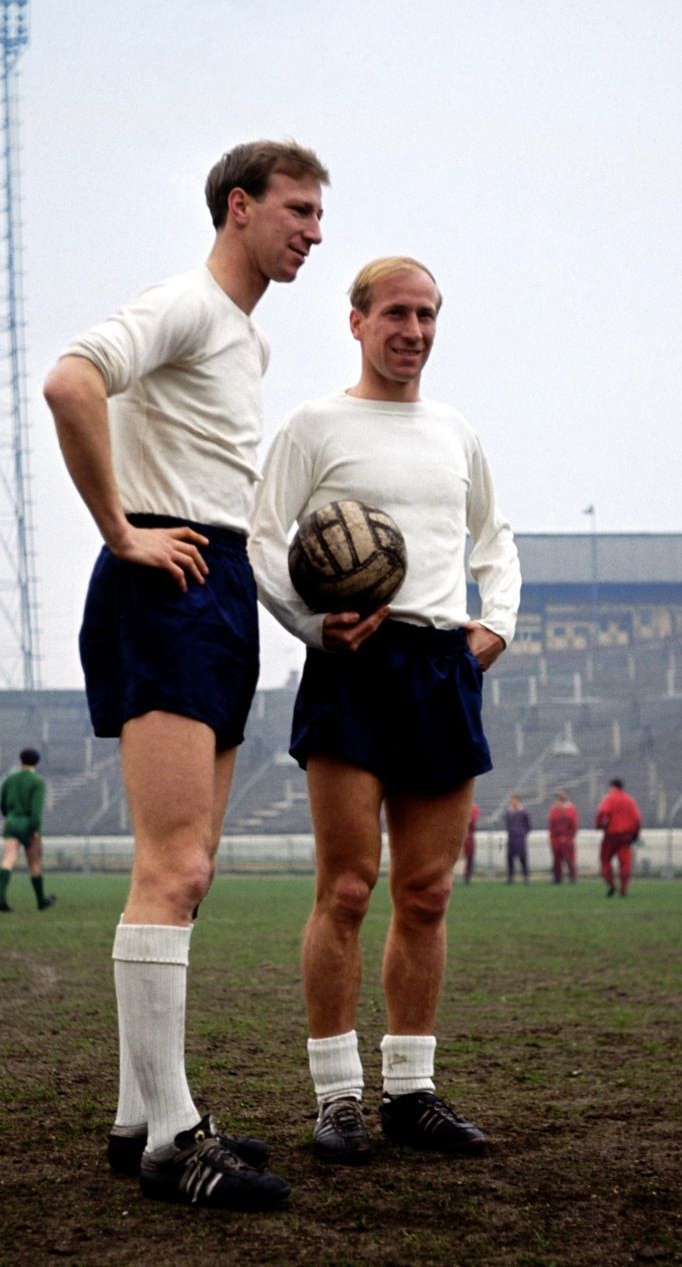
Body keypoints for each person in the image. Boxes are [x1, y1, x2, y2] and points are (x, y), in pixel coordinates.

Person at [43, 139, 328, 1210]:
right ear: (238, 206)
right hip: (162, 581)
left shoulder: (240, 341)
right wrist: (120, 531)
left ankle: (136, 1116)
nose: (308, 231)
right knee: (175, 866)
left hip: (214, 590)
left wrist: (305, 622)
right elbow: (69, 383)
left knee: (186, 867)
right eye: (296, 210)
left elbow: (241, 521)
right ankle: (173, 1136)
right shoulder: (184, 304)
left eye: (318, 218)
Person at [249, 255, 521, 1164]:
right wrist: (311, 630)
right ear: (357, 320)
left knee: (428, 893)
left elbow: (496, 540)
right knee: (348, 887)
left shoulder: (457, 433)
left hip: (443, 665)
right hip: (356, 663)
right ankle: (336, 1098)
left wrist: (500, 625)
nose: (414, 330)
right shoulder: (315, 425)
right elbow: (259, 538)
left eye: (429, 315)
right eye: (397, 313)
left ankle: (411, 1092)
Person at [0, 747, 55, 912]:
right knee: (34, 863)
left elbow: (2, 805)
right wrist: (35, 829)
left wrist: (10, 818)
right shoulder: (37, 782)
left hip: (11, 821)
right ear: (37, 762)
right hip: (28, 823)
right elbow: (36, 810)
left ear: (20, 760)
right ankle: (41, 900)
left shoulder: (9, 779)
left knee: (8, 859)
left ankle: (1, 898)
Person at [595, 777, 642, 897]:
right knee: (625, 864)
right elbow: (637, 819)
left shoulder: (610, 798)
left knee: (605, 861)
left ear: (612, 787)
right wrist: (635, 835)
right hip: (626, 837)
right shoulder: (630, 800)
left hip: (611, 836)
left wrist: (599, 825)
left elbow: (602, 812)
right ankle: (624, 889)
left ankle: (611, 884)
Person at [548, 788, 579, 884]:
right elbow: (551, 823)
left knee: (569, 858)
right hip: (556, 838)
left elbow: (574, 825)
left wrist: (568, 836)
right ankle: (557, 878)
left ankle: (572, 877)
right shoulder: (554, 809)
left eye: (563, 794)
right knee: (556, 859)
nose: (561, 797)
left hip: (567, 838)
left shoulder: (571, 809)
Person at [503, 793, 531, 883]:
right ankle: (510, 877)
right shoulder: (508, 812)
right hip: (511, 837)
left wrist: (522, 833)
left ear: (518, 801)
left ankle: (525, 876)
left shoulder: (524, 812)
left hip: (520, 838)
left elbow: (528, 826)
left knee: (522, 858)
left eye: (514, 800)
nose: (512, 802)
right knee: (510, 858)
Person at [461, 801, 479, 884]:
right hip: (461, 837)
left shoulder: (474, 808)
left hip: (468, 838)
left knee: (469, 857)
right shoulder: (461, 806)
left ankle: (467, 876)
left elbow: (473, 823)